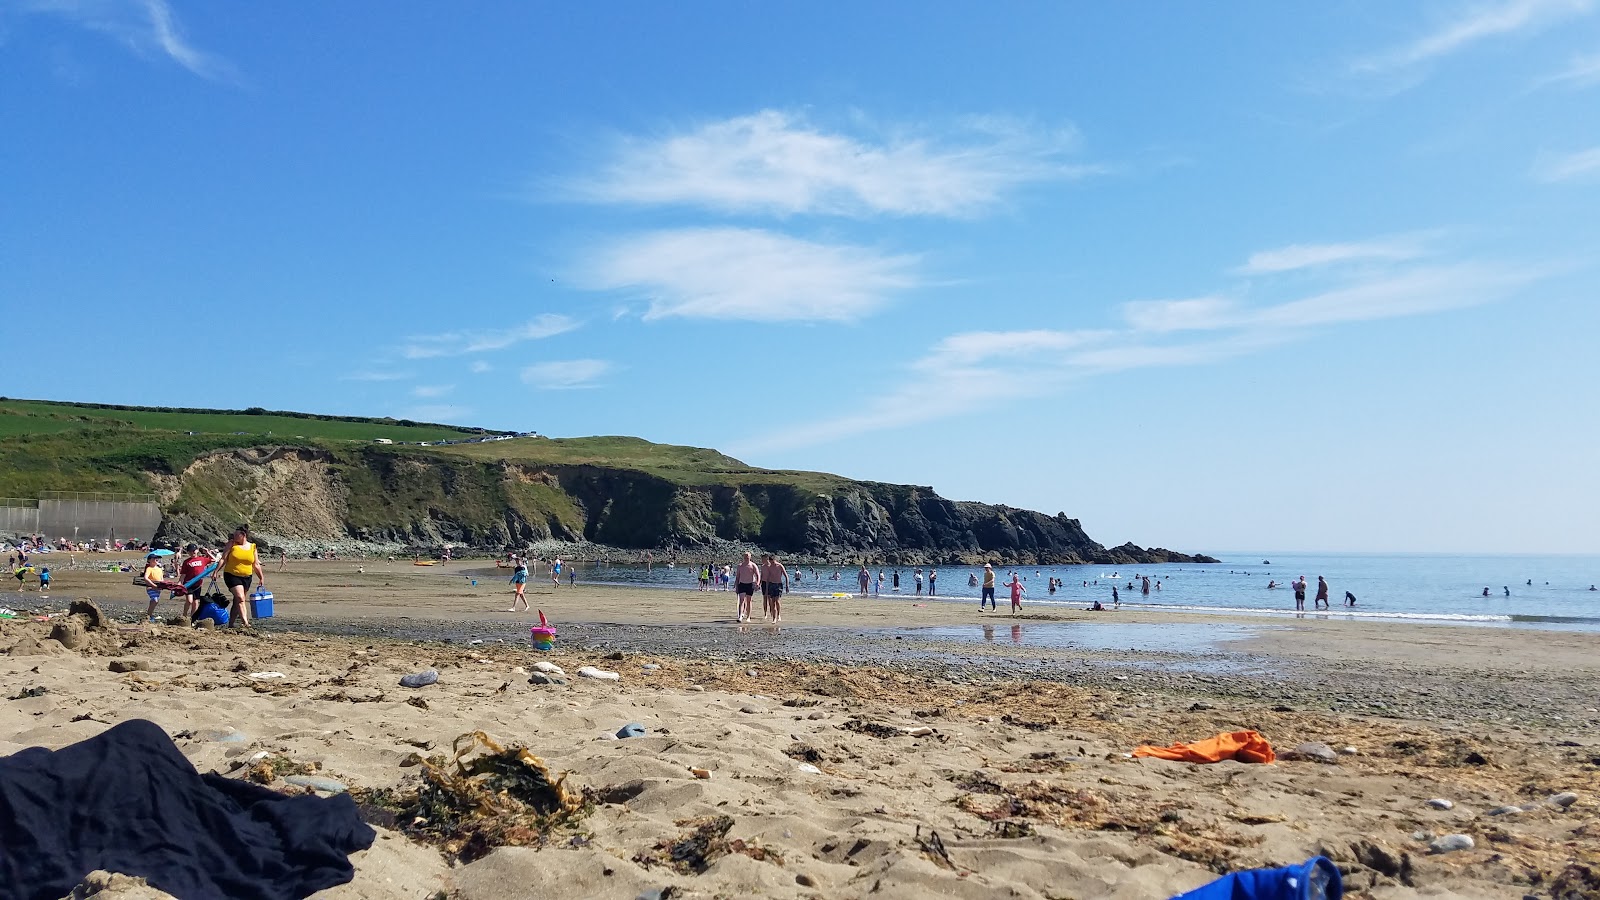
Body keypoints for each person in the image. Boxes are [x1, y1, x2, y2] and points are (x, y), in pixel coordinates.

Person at [220, 525, 265, 628]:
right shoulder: (232, 544)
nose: (234, 536)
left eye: (236, 535)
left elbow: (256, 564)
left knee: (238, 601)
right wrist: (216, 571)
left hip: (246, 577)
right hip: (231, 575)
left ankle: (231, 624)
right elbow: (223, 559)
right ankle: (245, 623)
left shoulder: (253, 547)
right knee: (240, 598)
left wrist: (261, 577)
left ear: (243, 535)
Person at [178, 544, 213, 619]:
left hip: (198, 584)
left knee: (195, 602)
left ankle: (193, 618)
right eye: (190, 551)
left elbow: (215, 560)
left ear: (197, 550)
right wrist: (179, 583)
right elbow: (183, 574)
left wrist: (207, 552)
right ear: (188, 552)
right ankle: (184, 615)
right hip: (188, 583)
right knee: (189, 601)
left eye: (194, 550)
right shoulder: (186, 562)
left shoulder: (202, 559)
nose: (192, 552)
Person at [761, 554, 789, 623]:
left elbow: (786, 576)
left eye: (772, 562)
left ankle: (779, 615)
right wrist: (767, 588)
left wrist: (787, 586)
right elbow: (767, 578)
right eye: (770, 562)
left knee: (777, 601)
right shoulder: (770, 567)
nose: (771, 563)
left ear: (774, 560)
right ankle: (774, 618)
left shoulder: (780, 566)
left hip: (778, 585)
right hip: (771, 584)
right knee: (772, 602)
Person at [141, 553, 167, 623]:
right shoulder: (149, 568)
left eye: (157, 558)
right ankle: (149, 615)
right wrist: (153, 585)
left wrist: (162, 586)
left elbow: (162, 579)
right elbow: (146, 578)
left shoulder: (159, 569)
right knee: (155, 600)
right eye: (154, 558)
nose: (156, 559)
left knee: (155, 601)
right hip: (150, 587)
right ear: (149, 560)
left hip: (158, 588)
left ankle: (149, 614)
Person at [735, 552, 760, 623]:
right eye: (745, 556)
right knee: (741, 600)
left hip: (750, 584)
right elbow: (737, 577)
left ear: (750, 557)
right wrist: (736, 586)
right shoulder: (740, 566)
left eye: (748, 556)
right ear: (743, 557)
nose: (746, 558)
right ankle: (740, 616)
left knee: (749, 601)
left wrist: (757, 583)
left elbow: (758, 575)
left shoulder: (753, 565)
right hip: (742, 584)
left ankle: (748, 617)